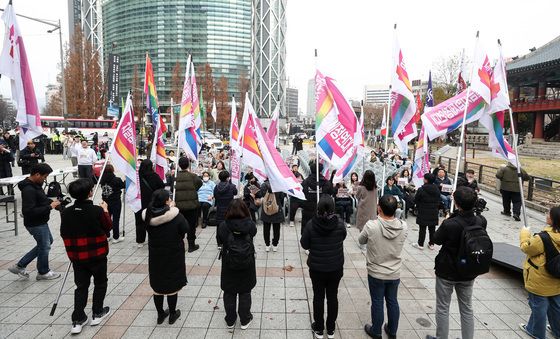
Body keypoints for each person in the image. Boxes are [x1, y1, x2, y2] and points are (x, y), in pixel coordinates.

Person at [426, 186, 488, 339]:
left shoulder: (450, 224)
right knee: (467, 308)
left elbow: (436, 239)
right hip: (469, 269)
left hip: (447, 270)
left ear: (457, 203)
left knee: (442, 307)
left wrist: (446, 221)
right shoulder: (481, 220)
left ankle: (441, 337)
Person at [60, 179, 112, 334]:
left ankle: (78, 318)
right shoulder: (97, 210)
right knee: (100, 283)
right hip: (97, 255)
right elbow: (108, 226)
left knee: (81, 286)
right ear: (90, 193)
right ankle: (97, 312)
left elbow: (64, 232)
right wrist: (105, 210)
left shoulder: (67, 212)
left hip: (77, 256)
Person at [359, 195, 408, 339]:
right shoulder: (403, 226)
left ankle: (376, 331)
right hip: (394, 272)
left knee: (377, 301)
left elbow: (361, 240)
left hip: (376, 272)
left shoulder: (371, 225)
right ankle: (392, 331)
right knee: (392, 300)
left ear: (379, 208)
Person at [301, 196, 346, 339]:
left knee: (318, 297)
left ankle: (319, 328)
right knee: (333, 297)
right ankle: (331, 329)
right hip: (335, 267)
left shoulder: (311, 224)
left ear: (318, 208)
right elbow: (343, 237)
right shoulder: (339, 223)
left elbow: (304, 244)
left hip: (317, 269)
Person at [8, 164, 61, 280]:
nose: (45, 179)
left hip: (40, 221)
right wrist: (49, 207)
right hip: (36, 224)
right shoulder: (29, 189)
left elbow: (40, 200)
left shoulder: (35, 185)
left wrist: (51, 202)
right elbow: (28, 211)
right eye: (45, 176)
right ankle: (43, 272)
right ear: (37, 175)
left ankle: (20, 266)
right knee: (45, 246)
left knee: (46, 243)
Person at [143, 189, 187, 325]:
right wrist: (172, 208)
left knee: (158, 286)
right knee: (172, 285)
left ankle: (160, 314)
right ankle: (173, 314)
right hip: (173, 254)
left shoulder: (147, 216)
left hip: (156, 255)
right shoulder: (175, 216)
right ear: (166, 201)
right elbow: (185, 229)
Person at [518, 206, 560, 339]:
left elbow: (526, 248)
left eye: (549, 214)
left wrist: (525, 234)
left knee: (538, 307)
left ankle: (537, 333)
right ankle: (557, 330)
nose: (547, 214)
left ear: (553, 220)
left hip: (540, 280)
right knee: (556, 306)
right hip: (557, 278)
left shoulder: (543, 238)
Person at [216, 199, 257, 330]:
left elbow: (220, 240)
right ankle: (245, 320)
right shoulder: (250, 224)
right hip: (247, 262)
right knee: (245, 292)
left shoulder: (223, 225)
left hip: (229, 263)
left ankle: (230, 320)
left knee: (229, 292)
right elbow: (254, 233)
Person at [175, 157, 203, 252]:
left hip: (179, 207)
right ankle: (191, 246)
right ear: (188, 165)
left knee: (179, 226)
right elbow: (199, 184)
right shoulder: (193, 176)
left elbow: (172, 189)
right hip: (192, 205)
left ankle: (179, 245)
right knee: (191, 226)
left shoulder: (175, 176)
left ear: (179, 165)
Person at [136, 159, 165, 247]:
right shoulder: (154, 176)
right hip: (151, 202)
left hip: (139, 202)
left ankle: (140, 241)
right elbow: (161, 185)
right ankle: (153, 238)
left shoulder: (137, 176)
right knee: (151, 220)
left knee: (139, 221)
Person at [301, 160, 334, 235]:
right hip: (323, 210)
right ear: (321, 170)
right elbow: (331, 193)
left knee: (307, 230)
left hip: (308, 209)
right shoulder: (326, 183)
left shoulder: (305, 182)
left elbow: (302, 194)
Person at [412, 173, 441, 250]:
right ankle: (431, 244)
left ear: (426, 180)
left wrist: (418, 206)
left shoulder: (421, 189)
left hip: (423, 210)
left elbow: (416, 200)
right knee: (432, 229)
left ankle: (420, 244)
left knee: (422, 228)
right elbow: (439, 200)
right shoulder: (437, 189)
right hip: (434, 211)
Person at [100, 164, 126, 243]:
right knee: (115, 219)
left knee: (106, 219)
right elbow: (123, 185)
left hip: (105, 202)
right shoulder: (116, 179)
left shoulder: (102, 180)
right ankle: (116, 237)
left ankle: (107, 235)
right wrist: (125, 180)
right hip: (115, 202)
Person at [260, 179, 285, 252]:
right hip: (276, 208)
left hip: (266, 209)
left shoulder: (264, 185)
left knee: (266, 228)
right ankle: (275, 245)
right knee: (276, 228)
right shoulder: (279, 184)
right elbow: (282, 197)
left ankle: (267, 245)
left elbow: (261, 195)